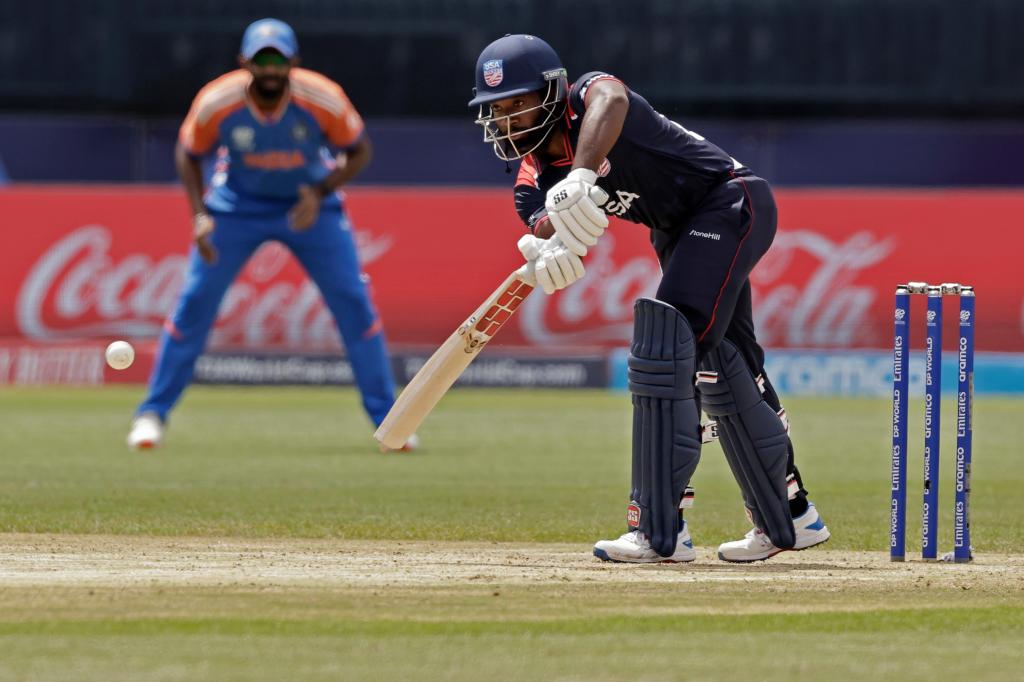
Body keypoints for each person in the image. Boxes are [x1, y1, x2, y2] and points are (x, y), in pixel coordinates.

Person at [468, 34, 829, 562]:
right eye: (494, 109)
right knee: (726, 363)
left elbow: (612, 100)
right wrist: (545, 250)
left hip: (729, 200)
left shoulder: (589, 97)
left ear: (552, 93)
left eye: (516, 103)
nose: (505, 120)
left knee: (669, 347)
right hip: (677, 231)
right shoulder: (529, 177)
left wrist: (582, 173)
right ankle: (792, 518)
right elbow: (549, 224)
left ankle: (661, 531)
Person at [128, 18, 415, 451]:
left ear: (293, 63)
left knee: (355, 305)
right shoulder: (217, 101)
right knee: (194, 303)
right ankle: (151, 414)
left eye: (277, 61)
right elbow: (189, 154)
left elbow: (359, 151)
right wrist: (199, 215)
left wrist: (319, 191)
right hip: (236, 207)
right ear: (244, 62)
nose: (269, 71)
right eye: (261, 61)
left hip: (308, 206)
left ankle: (391, 423)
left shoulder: (322, 98)